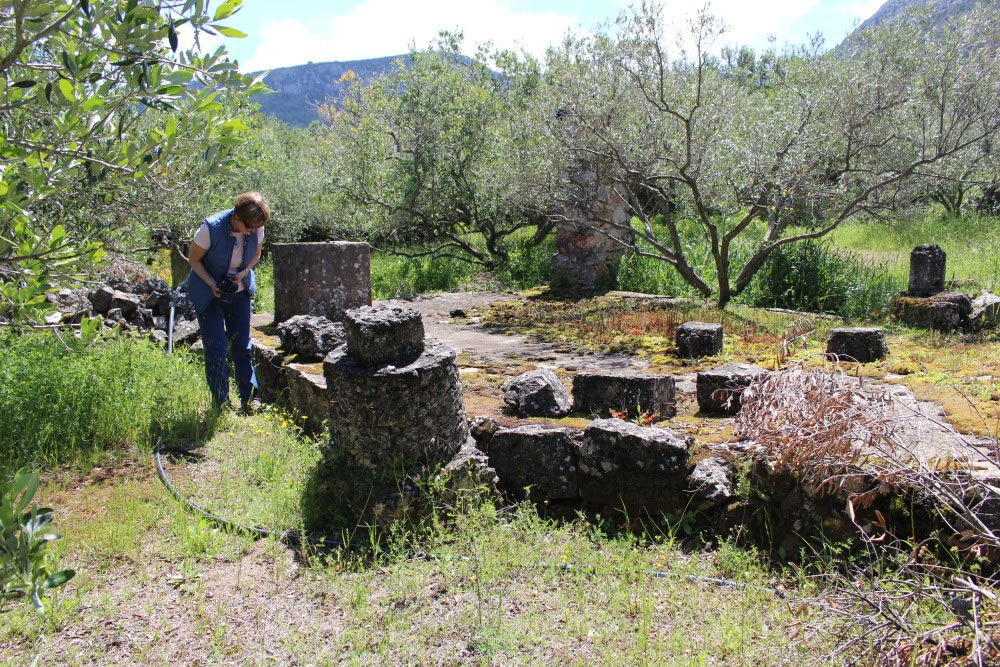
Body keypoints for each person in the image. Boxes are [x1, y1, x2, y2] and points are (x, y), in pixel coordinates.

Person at [187, 192, 269, 413]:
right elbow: (193, 259)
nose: (253, 231)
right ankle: (221, 403)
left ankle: (251, 399)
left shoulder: (256, 226)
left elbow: (257, 254)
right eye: (249, 227)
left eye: (256, 227)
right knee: (216, 347)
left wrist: (243, 273)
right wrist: (212, 283)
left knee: (242, 345)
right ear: (236, 217)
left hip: (239, 291)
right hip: (208, 292)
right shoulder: (210, 229)